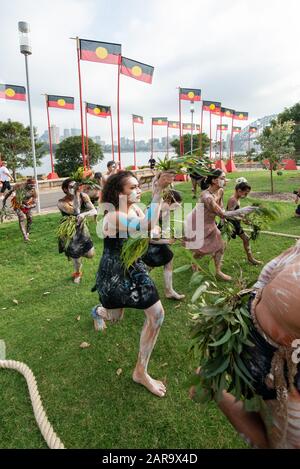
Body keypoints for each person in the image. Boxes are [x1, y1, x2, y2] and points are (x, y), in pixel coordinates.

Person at [91, 170, 174, 397]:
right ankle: (98, 312)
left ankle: (140, 371)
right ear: (119, 193)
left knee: (157, 315)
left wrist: (156, 228)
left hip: (134, 267)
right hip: (114, 272)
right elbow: (147, 226)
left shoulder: (135, 208)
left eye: (139, 186)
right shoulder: (113, 216)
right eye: (133, 187)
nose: (139, 190)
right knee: (115, 317)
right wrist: (157, 192)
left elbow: (150, 226)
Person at [215, 241, 300, 448]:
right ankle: (215, 388)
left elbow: (268, 274)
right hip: (264, 357)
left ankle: (214, 388)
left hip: (275, 362)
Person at [184, 169, 256, 281]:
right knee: (201, 248)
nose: (225, 180)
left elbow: (221, 208)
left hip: (209, 222)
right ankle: (194, 263)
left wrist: (232, 218)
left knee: (220, 245)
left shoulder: (220, 190)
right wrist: (244, 210)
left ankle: (217, 271)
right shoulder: (207, 197)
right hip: (197, 223)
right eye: (222, 178)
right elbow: (222, 214)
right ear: (214, 180)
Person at [142, 189, 185, 300]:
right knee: (147, 267)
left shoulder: (165, 211)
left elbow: (165, 230)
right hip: (145, 244)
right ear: (167, 201)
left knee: (168, 259)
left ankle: (169, 290)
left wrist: (176, 236)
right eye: (175, 206)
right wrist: (167, 241)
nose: (175, 210)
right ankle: (135, 285)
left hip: (157, 242)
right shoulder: (151, 211)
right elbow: (149, 239)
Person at [57, 178, 97, 284]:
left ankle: (74, 254)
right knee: (76, 254)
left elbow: (93, 210)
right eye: (71, 187)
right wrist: (76, 195)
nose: (74, 188)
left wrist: (84, 214)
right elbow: (75, 212)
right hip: (70, 231)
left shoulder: (84, 196)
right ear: (65, 190)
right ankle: (77, 272)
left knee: (90, 254)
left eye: (75, 186)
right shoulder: (61, 202)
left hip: (82, 229)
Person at [226, 180, 262, 265]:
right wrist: (243, 219)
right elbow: (229, 215)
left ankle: (250, 258)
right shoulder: (233, 200)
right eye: (245, 193)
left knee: (246, 239)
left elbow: (237, 212)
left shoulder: (237, 199)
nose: (246, 195)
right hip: (230, 225)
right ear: (239, 191)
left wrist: (246, 219)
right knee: (222, 245)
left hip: (236, 224)